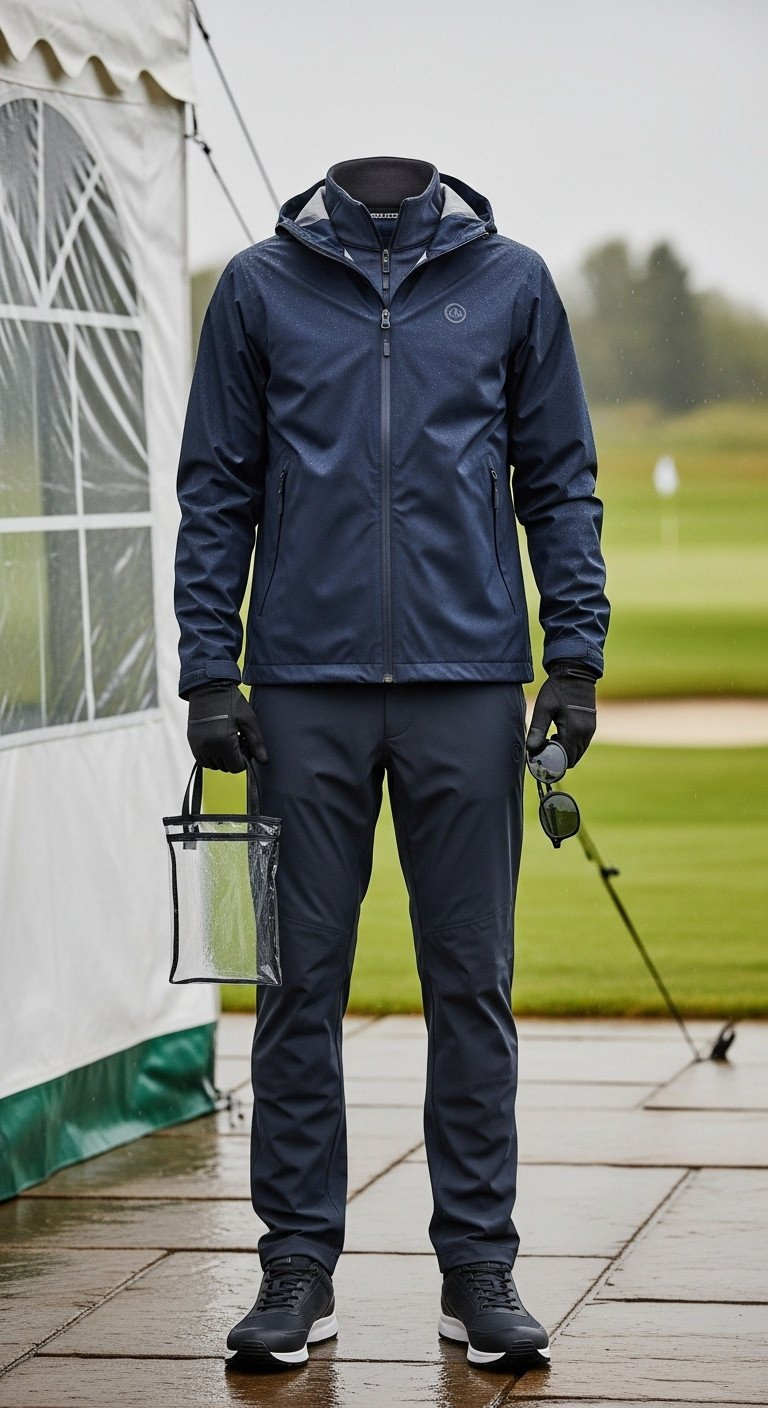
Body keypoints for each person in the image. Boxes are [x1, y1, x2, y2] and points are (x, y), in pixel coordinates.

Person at [175, 155, 610, 1373]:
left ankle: (479, 1268)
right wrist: (211, 670)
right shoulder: (260, 290)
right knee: (295, 987)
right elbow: (217, 490)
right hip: (299, 693)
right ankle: (294, 1269)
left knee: (471, 985)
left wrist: (572, 656)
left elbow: (560, 483)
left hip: (468, 684)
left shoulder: (511, 283)